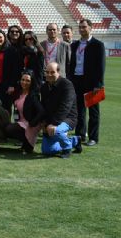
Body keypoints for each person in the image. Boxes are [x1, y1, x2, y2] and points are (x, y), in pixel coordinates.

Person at [68, 19, 105, 147]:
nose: (82, 29)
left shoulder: (97, 44)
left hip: (92, 83)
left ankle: (93, 137)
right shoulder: (75, 44)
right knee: (79, 110)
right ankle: (80, 135)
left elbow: (101, 66)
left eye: (84, 27)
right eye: (80, 27)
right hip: (77, 80)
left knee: (93, 111)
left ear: (90, 28)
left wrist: (98, 84)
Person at [40, 62, 81, 158]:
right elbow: (44, 106)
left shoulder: (67, 85)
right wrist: (43, 122)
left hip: (68, 118)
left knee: (56, 131)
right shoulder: (44, 87)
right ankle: (75, 141)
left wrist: (54, 123)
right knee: (47, 151)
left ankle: (67, 148)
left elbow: (65, 107)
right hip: (52, 120)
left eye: (52, 72)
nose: (49, 75)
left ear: (58, 72)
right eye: (47, 72)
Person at [4, 71, 44, 155]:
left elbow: (41, 111)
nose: (24, 82)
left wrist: (32, 123)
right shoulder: (18, 92)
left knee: (9, 128)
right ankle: (26, 143)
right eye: (23, 80)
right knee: (7, 128)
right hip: (21, 121)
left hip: (30, 123)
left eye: (28, 80)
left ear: (31, 82)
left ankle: (28, 143)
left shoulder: (33, 95)